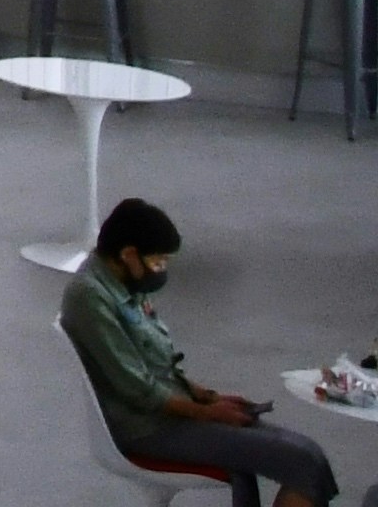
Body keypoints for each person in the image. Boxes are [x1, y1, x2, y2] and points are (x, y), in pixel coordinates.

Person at [69, 202, 337, 498]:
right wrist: (205, 413)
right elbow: (138, 388)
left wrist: (208, 397)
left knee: (310, 454)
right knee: (302, 463)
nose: (160, 270)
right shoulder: (91, 299)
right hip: (148, 429)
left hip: (170, 412)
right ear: (129, 254)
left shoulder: (123, 283)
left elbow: (160, 366)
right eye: (158, 262)